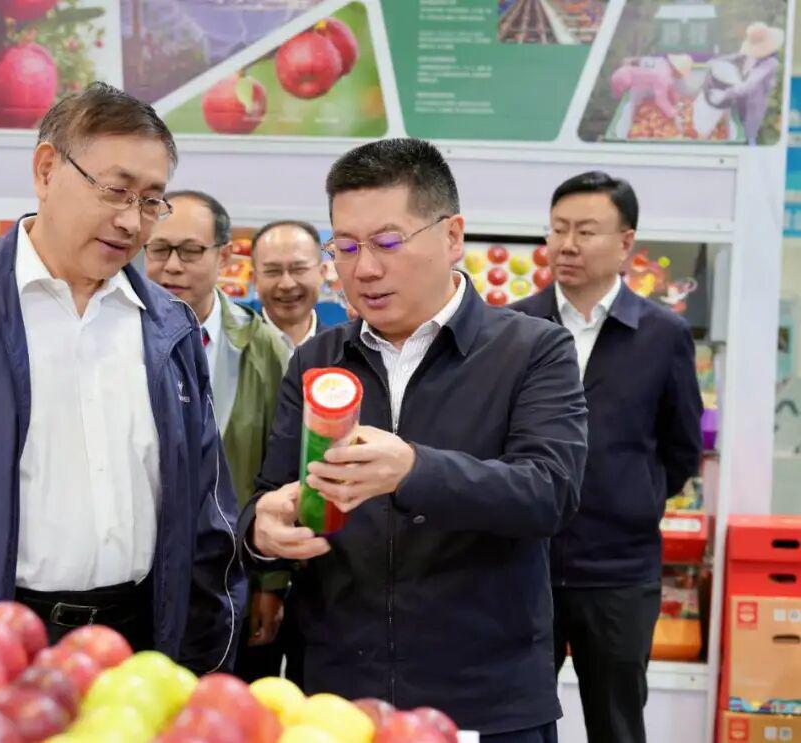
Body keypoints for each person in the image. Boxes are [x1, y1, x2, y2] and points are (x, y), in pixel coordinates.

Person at [0, 83, 246, 673]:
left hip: (136, 645)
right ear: (46, 170)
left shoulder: (168, 326)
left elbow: (205, 514)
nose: (130, 221)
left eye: (150, 201)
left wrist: (205, 659)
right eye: (115, 190)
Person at [239, 137, 588, 741]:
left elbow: (550, 493)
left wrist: (414, 471)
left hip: (485, 698)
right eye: (346, 247)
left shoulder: (533, 350)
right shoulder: (318, 360)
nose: (364, 270)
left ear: (452, 236)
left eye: (388, 243)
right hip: (338, 697)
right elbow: (273, 491)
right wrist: (261, 530)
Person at [511, 171, 703, 743]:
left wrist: (631, 498)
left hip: (619, 571)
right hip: (523, 565)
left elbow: (682, 449)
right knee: (515, 721)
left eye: (586, 231)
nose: (567, 245)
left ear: (625, 243)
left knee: (617, 723)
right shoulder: (515, 326)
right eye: (558, 229)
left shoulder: (662, 334)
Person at [143, 190, 290, 680]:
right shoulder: (117, 335)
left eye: (190, 251)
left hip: (228, 576)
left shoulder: (262, 348)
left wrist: (270, 583)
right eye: (159, 249)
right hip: (140, 575)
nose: (172, 266)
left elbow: (280, 472)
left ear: (225, 257)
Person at [249, 220, 329, 350]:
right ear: (254, 279)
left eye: (299, 269)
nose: (287, 284)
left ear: (322, 273)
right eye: (273, 271)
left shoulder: (344, 352)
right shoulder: (232, 350)